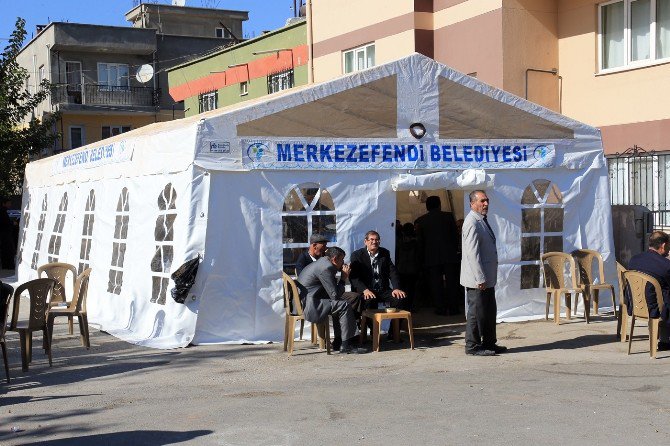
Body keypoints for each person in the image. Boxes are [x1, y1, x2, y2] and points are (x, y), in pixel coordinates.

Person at [460, 190, 506, 356]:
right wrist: (480, 277)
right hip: (477, 279)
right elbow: (473, 253)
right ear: (472, 204)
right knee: (476, 313)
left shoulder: (481, 220)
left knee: (489, 311)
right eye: (482, 201)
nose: (486, 204)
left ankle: (489, 342)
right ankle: (472, 346)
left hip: (487, 277)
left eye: (487, 200)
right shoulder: (471, 222)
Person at [298, 247, 365, 354]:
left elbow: (333, 291)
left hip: (314, 297)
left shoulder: (323, 262)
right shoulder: (326, 268)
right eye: (342, 260)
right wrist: (343, 278)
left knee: (354, 297)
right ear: (334, 259)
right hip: (311, 304)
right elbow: (334, 295)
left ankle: (341, 339)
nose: (343, 262)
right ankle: (346, 344)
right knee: (343, 305)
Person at [414, 195, 460, 315]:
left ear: (427, 206)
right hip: (449, 255)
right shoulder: (448, 216)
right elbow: (455, 236)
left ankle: (440, 308)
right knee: (452, 283)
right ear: (440, 204)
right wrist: (455, 250)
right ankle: (454, 307)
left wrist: (421, 258)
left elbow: (421, 242)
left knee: (436, 284)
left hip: (431, 257)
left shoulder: (421, 220)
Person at [628, 231, 670, 350]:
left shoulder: (634, 260)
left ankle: (665, 340)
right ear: (663, 245)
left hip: (636, 305)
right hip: (656, 309)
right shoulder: (666, 265)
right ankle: (664, 340)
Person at [349, 230, 407, 312]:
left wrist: (396, 288)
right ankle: (368, 324)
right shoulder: (357, 255)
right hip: (366, 290)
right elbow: (354, 277)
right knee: (368, 301)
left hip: (382, 290)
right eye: (371, 239)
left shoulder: (384, 253)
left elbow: (392, 272)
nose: (374, 242)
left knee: (399, 298)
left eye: (377, 240)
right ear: (365, 241)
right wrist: (364, 290)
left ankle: (394, 324)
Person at [0, 199, 16, 270]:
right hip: (5, 234)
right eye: (9, 203)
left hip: (4, 234)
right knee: (8, 250)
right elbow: (5, 222)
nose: (10, 205)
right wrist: (13, 223)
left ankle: (6, 265)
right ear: (4, 203)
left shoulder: (3, 211)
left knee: (6, 250)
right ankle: (8, 265)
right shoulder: (2, 211)